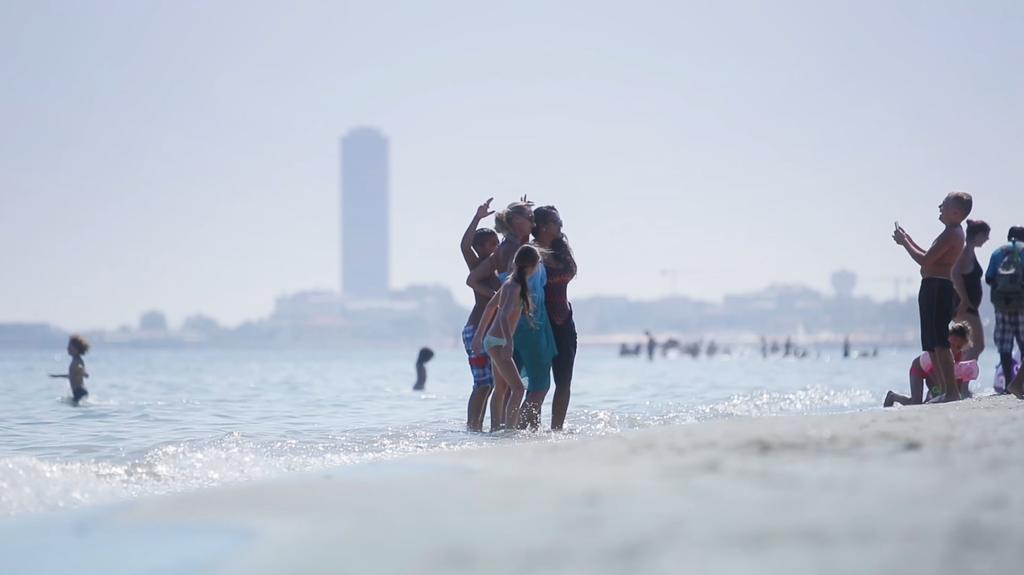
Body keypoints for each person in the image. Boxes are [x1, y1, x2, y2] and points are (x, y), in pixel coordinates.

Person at [892, 191, 972, 402]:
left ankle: (951, 392)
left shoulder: (952, 233)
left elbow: (925, 261)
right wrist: (907, 239)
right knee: (932, 343)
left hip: (937, 287)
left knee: (939, 342)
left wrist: (904, 244)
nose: (939, 207)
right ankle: (946, 390)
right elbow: (931, 255)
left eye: (944, 205)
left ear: (955, 212)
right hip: (933, 287)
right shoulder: (951, 232)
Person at [518, 206, 577, 431]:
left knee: (564, 381)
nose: (560, 224)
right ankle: (525, 433)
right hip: (540, 324)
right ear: (542, 226)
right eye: (556, 220)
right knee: (539, 384)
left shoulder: (562, 249)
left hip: (565, 322)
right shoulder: (530, 251)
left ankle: (556, 432)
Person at [472, 245, 542, 431]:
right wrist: (509, 342)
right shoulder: (514, 286)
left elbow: (490, 307)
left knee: (501, 389)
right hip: (498, 342)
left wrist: (479, 336)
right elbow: (502, 315)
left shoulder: (511, 283)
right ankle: (510, 432)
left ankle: (496, 430)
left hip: (494, 340)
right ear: (532, 265)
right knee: (518, 389)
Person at [460, 199, 500, 431]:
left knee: (493, 384)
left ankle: (482, 429)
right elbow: (464, 246)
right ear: (482, 248)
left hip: (491, 331)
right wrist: (477, 218)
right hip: (476, 330)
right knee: (482, 384)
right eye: (492, 244)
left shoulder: (499, 266)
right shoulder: (479, 265)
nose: (496, 247)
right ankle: (472, 429)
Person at [884, 322, 979, 407]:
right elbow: (936, 379)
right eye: (951, 344)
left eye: (958, 347)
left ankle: (930, 397)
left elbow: (956, 378)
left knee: (937, 394)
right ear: (945, 340)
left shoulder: (958, 355)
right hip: (919, 369)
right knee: (916, 402)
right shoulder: (935, 355)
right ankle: (893, 396)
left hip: (933, 373)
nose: (954, 349)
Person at [985, 225, 1024, 398]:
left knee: (1005, 345)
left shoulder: (997, 253)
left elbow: (989, 278)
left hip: (1002, 306)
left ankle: (1009, 383)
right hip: (1022, 305)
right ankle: (1020, 383)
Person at [952, 219, 990, 361]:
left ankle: (960, 380)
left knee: (968, 347)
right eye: (985, 235)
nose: (987, 239)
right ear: (978, 234)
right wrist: (964, 299)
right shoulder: (966, 251)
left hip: (969, 307)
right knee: (977, 346)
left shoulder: (969, 251)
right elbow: (955, 273)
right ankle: (961, 379)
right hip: (965, 307)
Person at [49, 335, 90, 405]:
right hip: (80, 392)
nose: (67, 348)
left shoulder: (77, 361)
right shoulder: (74, 360)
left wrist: (83, 372)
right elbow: (72, 376)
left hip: (79, 392)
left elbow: (80, 368)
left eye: (70, 346)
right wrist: (57, 376)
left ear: (76, 349)